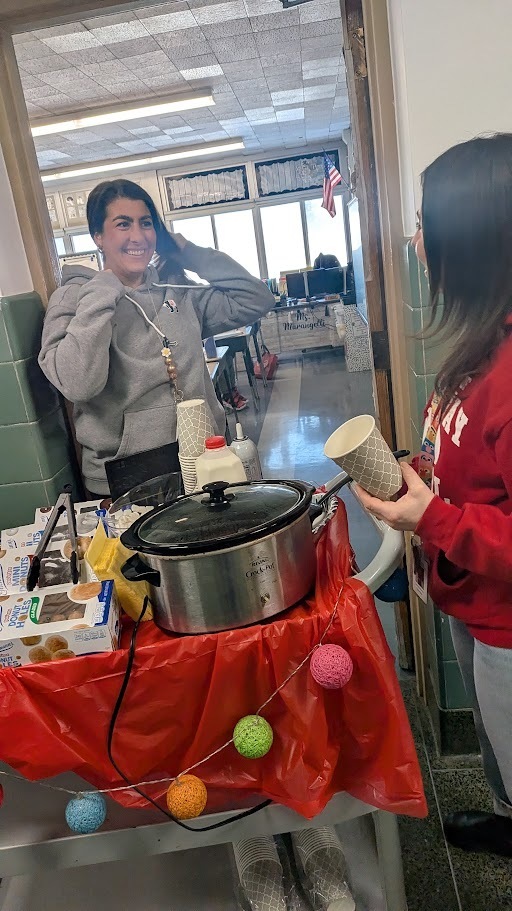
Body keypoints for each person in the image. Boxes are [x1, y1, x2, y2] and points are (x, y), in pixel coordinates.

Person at [357, 134, 512, 858]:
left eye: (425, 226)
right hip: (475, 601)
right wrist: (415, 472)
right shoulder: (482, 343)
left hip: (507, 621)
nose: (416, 242)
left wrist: (433, 516)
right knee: (498, 749)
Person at [39, 179, 274, 496]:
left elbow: (257, 298)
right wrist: (102, 293)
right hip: (127, 476)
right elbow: (78, 384)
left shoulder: (177, 291)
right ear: (98, 236)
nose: (138, 236)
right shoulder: (73, 298)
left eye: (146, 223)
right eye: (123, 224)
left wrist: (188, 252)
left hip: (206, 457)